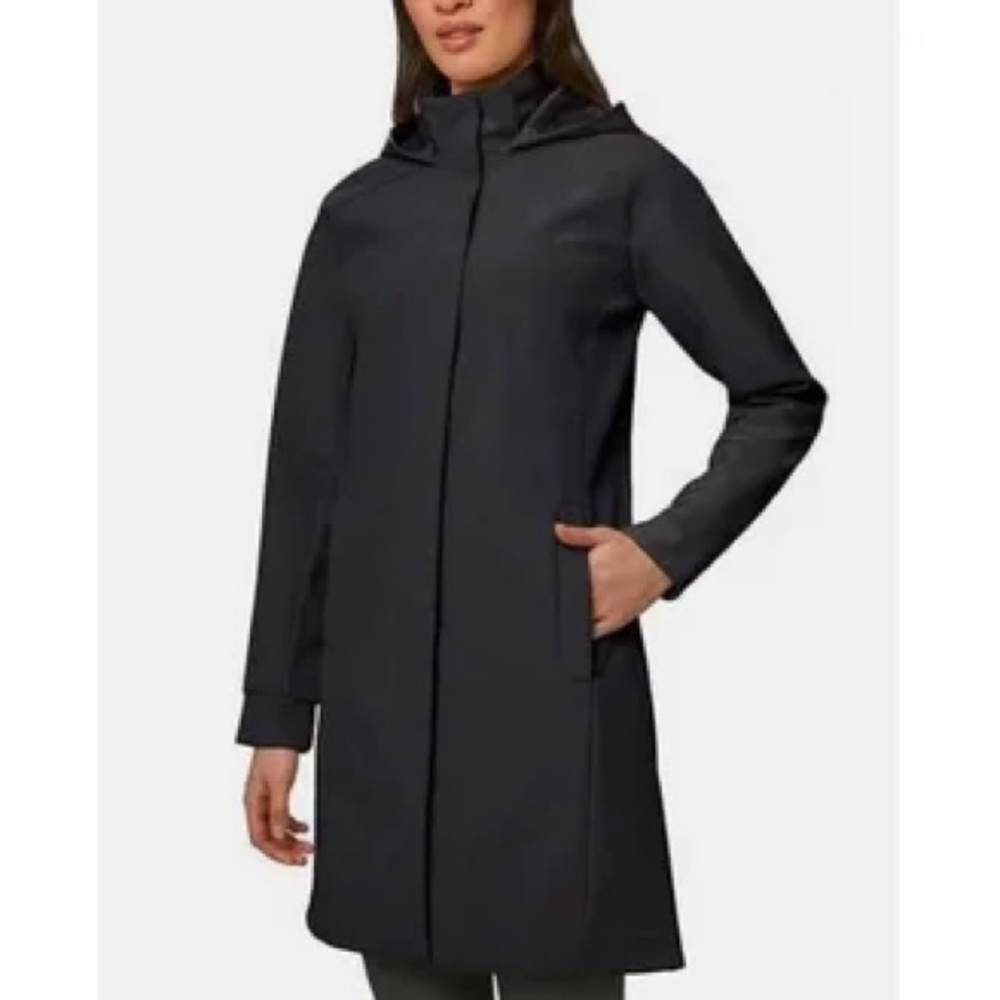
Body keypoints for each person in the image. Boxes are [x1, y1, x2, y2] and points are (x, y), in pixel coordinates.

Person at [235, 1, 829, 998]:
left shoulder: (625, 180)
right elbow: (306, 476)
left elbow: (778, 395)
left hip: (551, 709)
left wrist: (664, 552)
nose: (448, 3)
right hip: (384, 729)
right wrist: (278, 714)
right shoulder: (359, 213)